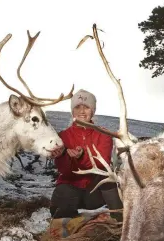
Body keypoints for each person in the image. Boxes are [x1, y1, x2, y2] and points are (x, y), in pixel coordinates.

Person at [49, 89, 123, 220]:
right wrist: (62, 156)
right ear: (72, 111)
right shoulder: (63, 136)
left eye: (86, 107)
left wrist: (80, 157)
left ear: (93, 111)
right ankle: (64, 223)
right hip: (72, 191)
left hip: (95, 193)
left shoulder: (104, 134)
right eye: (77, 107)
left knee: (107, 179)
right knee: (63, 190)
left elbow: (102, 164)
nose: (82, 112)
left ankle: (119, 220)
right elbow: (64, 172)